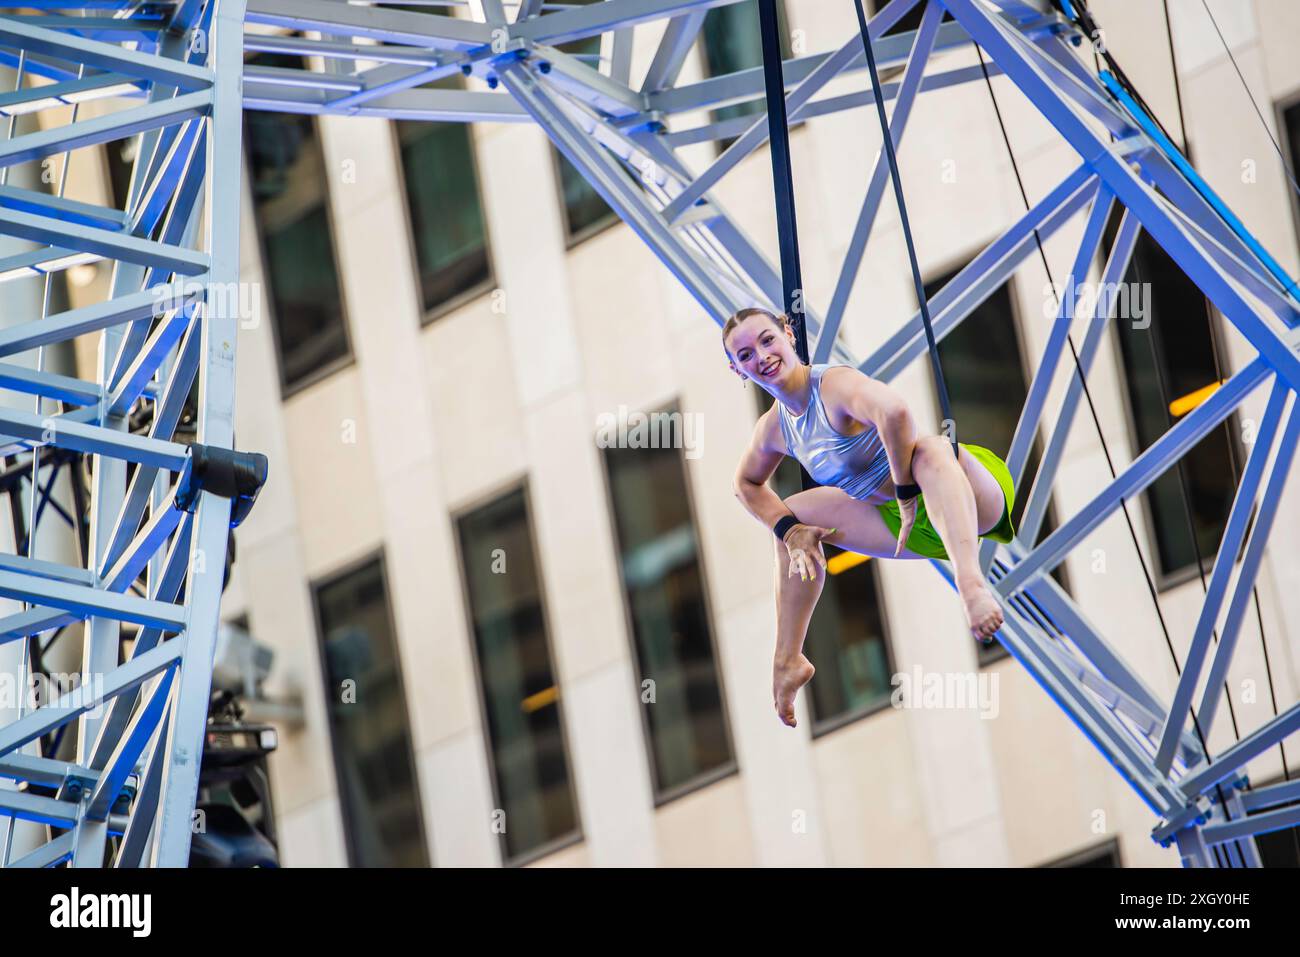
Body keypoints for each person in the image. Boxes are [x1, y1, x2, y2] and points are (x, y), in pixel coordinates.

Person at [725, 307, 1017, 727]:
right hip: (902, 525)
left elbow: (896, 412)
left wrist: (904, 489)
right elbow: (745, 485)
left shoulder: (834, 386)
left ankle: (970, 585)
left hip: (963, 495)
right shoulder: (774, 428)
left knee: (931, 449)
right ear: (738, 370)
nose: (763, 356)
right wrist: (790, 531)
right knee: (791, 517)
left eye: (767, 340)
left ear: (789, 335)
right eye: (747, 355)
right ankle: (787, 659)